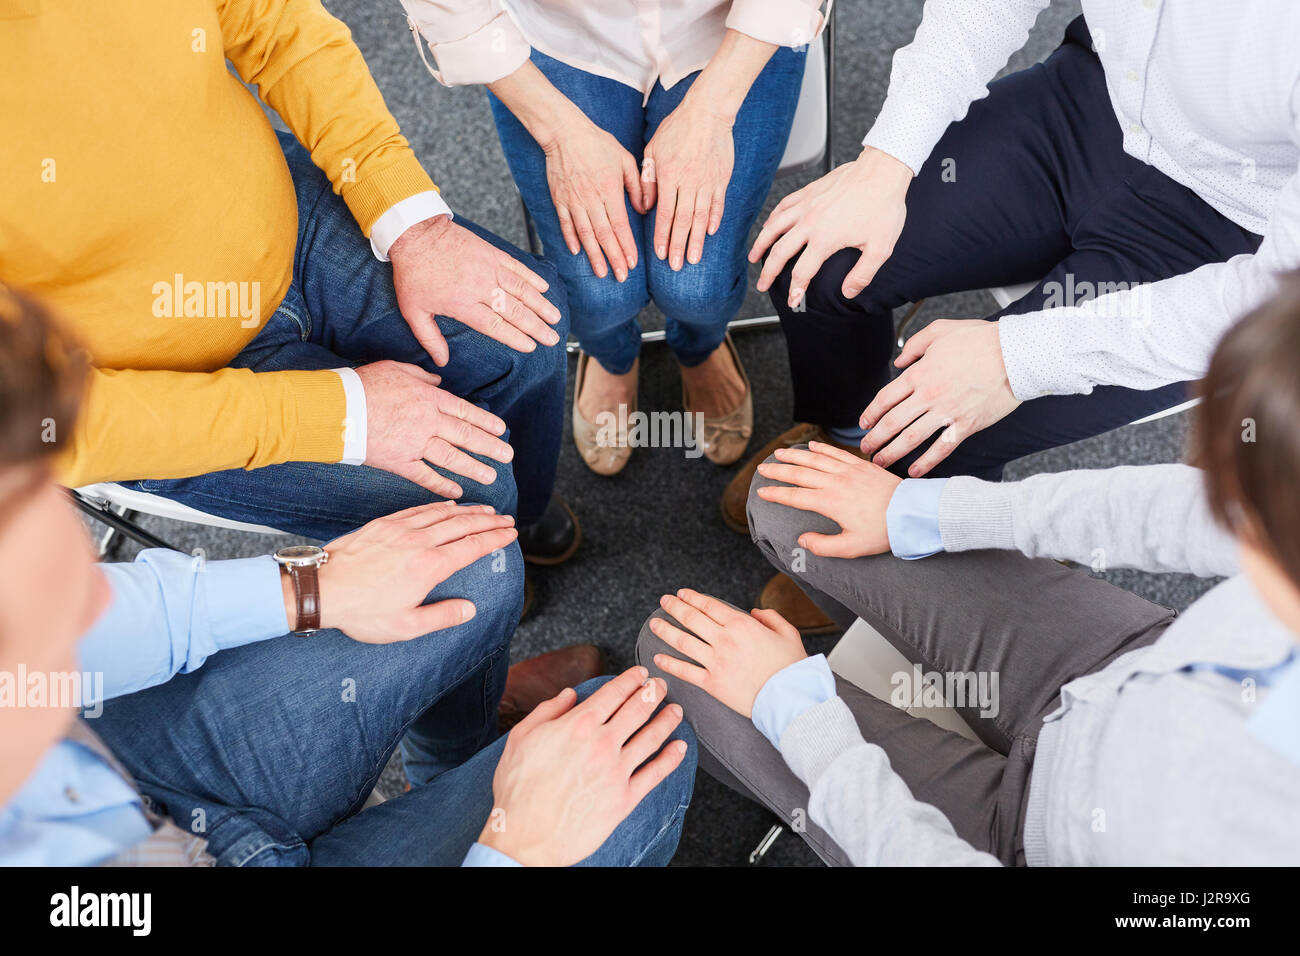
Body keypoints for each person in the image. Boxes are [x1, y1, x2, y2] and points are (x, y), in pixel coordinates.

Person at [0, 287, 697, 867]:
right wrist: (513, 849)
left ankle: (454, 759)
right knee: (651, 746)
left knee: (468, 560)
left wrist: (313, 587)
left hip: (139, 757)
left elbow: (114, 615)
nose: (95, 587)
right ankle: (461, 784)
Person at [640, 272, 1300, 865]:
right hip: (1112, 661)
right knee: (787, 498)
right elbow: (1160, 512)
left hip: (1017, 843)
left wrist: (799, 714)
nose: (1216, 492)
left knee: (669, 654)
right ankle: (855, 628)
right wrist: (918, 511)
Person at [724, 1, 1300, 633]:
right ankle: (847, 438)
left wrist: (1016, 358)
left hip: (1234, 233)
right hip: (1093, 100)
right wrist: (884, 165)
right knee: (816, 269)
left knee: (940, 428)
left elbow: (1276, 298)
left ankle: (895, 546)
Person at [0, 0, 582, 569]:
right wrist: (334, 416)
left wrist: (412, 223)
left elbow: (275, 21)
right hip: (154, 385)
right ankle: (489, 573)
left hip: (279, 214)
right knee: (462, 493)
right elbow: (38, 420)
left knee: (528, 328)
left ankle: (519, 525)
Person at [403, 0, 826, 472]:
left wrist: (711, 111)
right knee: (599, 291)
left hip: (727, 26)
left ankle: (702, 344)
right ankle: (610, 357)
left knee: (696, 286)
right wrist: (559, 134)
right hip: (557, 30)